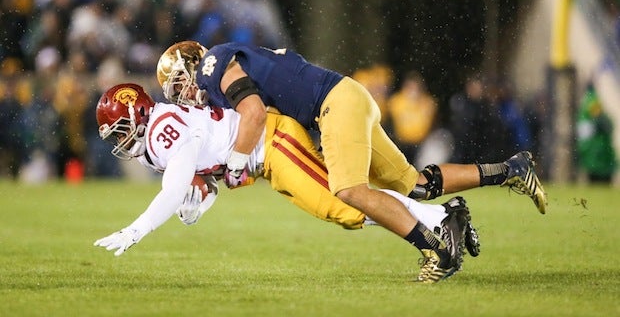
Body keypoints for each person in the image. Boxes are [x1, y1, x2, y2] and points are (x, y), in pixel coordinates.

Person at [155, 41, 547, 280]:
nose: (184, 95)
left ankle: (439, 248)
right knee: (415, 184)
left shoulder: (213, 67)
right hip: (345, 96)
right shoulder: (227, 65)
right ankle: (511, 170)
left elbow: (256, 114)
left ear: (193, 65)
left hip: (334, 103)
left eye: (179, 85)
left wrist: (238, 160)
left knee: (348, 190)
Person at [92, 83, 480, 284]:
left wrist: (137, 228)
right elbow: (201, 186)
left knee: (345, 204)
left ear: (139, 113)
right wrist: (194, 206)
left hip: (273, 143)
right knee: (344, 208)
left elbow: (173, 189)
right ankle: (440, 216)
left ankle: (440, 217)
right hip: (266, 155)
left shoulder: (161, 128)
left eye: (121, 129)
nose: (120, 140)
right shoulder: (152, 142)